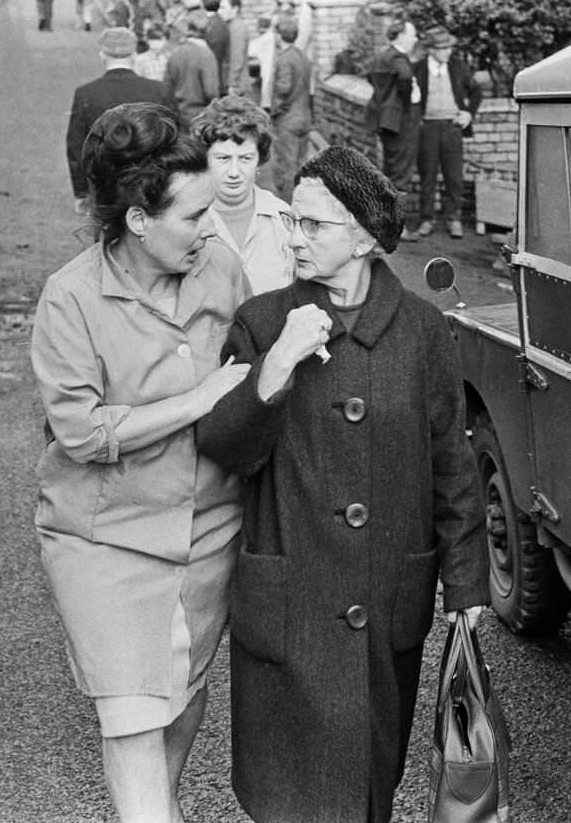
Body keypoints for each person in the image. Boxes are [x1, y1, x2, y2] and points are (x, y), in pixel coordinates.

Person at [195, 145, 490, 823]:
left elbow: (452, 462)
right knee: (291, 800)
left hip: (382, 605)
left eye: (314, 226)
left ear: (362, 236)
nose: (295, 238)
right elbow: (223, 447)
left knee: (365, 793)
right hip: (290, 605)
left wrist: (467, 585)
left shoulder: (422, 332)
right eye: (293, 222)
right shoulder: (263, 322)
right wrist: (276, 366)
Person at [32, 101, 251, 823]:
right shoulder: (70, 298)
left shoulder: (219, 266)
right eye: (190, 216)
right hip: (107, 539)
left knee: (180, 701)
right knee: (131, 714)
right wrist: (199, 398)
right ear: (137, 220)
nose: (207, 228)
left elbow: (255, 369)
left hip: (209, 529)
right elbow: (82, 433)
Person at [65, 26, 176, 214]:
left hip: (104, 187)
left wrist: (81, 192)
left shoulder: (87, 94)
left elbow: (77, 147)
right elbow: (174, 140)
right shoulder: (159, 91)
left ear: (102, 54)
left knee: (107, 239)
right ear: (134, 55)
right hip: (152, 184)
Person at [191, 94, 293, 295]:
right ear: (205, 159)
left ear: (259, 160)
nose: (234, 172)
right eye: (223, 158)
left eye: (245, 158)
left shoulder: (283, 218)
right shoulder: (188, 219)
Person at [412, 26, 480, 240]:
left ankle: (453, 219)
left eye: (449, 48)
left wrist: (468, 113)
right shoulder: (418, 69)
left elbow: (477, 90)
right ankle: (426, 219)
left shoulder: (458, 66)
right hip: (427, 129)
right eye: (442, 49)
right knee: (427, 174)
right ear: (431, 50)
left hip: (452, 127)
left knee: (454, 176)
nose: (448, 52)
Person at [367, 19, 420, 241]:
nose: (415, 39)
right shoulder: (399, 59)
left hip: (384, 119)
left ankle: (386, 222)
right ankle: (397, 228)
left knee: (390, 168)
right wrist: (407, 103)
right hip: (401, 121)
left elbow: (370, 77)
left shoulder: (382, 55)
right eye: (412, 34)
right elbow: (406, 77)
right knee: (401, 173)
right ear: (401, 36)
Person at [267, 15, 312, 203]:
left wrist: (274, 111)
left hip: (287, 120)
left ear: (279, 36)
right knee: (301, 167)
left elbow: (283, 88)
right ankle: (303, 206)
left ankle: (288, 210)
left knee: (286, 168)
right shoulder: (302, 55)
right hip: (304, 117)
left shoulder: (284, 59)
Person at [165, 9, 220, 127]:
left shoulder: (175, 53)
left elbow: (167, 86)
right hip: (202, 116)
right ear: (208, 30)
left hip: (179, 115)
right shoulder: (206, 54)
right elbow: (211, 91)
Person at [219, 0, 249, 97]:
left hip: (236, 85)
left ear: (235, 9)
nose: (219, 11)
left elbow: (237, 58)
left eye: (223, 8)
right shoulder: (230, 25)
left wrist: (232, 84)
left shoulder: (237, 28)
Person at [200, 0, 230, 86]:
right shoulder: (222, 22)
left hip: (213, 73)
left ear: (203, 5)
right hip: (221, 70)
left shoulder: (207, 24)